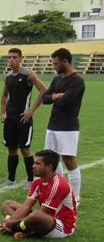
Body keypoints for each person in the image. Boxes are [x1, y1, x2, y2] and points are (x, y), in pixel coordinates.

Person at [0, 149, 77, 240]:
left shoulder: (58, 185)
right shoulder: (37, 180)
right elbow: (26, 206)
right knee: (7, 204)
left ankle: (16, 228)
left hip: (61, 226)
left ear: (49, 167)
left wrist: (11, 222)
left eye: (37, 164)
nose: (33, 166)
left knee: (36, 215)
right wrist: (10, 222)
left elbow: (42, 212)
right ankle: (17, 228)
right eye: (34, 163)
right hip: (44, 218)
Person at [41, 48, 86, 201]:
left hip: (68, 126)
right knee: (51, 160)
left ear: (65, 62)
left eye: (56, 63)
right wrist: (56, 96)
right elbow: (44, 98)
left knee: (69, 160)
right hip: (52, 125)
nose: (54, 66)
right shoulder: (57, 79)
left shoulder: (77, 81)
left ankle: (75, 198)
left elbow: (67, 102)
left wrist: (53, 97)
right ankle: (59, 191)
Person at [0, 48, 47, 187]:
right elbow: (4, 96)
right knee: (11, 149)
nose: (11, 60)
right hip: (10, 119)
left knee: (25, 149)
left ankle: (31, 180)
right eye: (9, 57)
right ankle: (11, 179)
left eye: (14, 57)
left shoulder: (28, 74)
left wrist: (31, 111)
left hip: (23, 119)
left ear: (20, 58)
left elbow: (44, 90)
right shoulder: (8, 77)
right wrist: (3, 112)